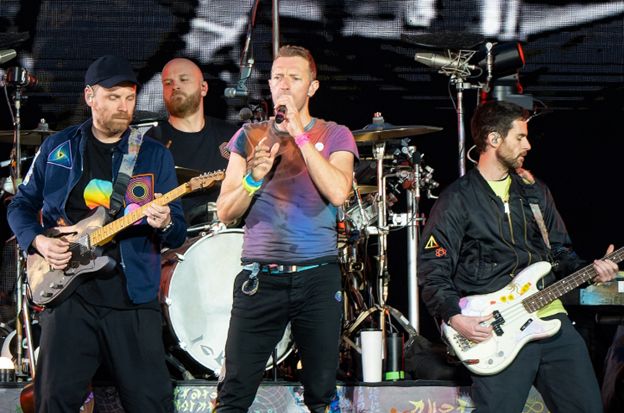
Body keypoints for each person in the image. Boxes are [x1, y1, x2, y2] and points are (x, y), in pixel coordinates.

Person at [8, 54, 186, 413]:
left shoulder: (152, 155)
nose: (124, 107)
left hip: (132, 299)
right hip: (69, 298)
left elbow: (177, 231)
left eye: (130, 98)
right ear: (90, 96)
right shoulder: (57, 148)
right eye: (113, 97)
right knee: (54, 402)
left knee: (152, 404)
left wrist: (165, 221)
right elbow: (20, 205)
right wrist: (38, 241)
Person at [418, 100, 618, 412]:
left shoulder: (535, 191)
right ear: (493, 139)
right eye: (520, 137)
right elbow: (433, 269)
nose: (528, 145)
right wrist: (455, 317)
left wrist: (592, 270)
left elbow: (560, 253)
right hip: (497, 328)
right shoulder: (456, 200)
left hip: (550, 318)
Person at [214, 45, 358, 412]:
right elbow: (225, 212)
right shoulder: (249, 136)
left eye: (295, 78)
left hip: (317, 277)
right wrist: (252, 178)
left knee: (321, 391)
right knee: (234, 391)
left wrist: (300, 136)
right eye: (278, 77)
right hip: (261, 278)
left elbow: (338, 192)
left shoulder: (335, 134)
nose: (284, 84)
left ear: (312, 87)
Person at [150, 57, 239, 226]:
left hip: (227, 233)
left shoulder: (232, 136)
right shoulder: (151, 142)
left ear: (203, 88)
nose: (175, 86)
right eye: (168, 83)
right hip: (174, 236)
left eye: (184, 79)